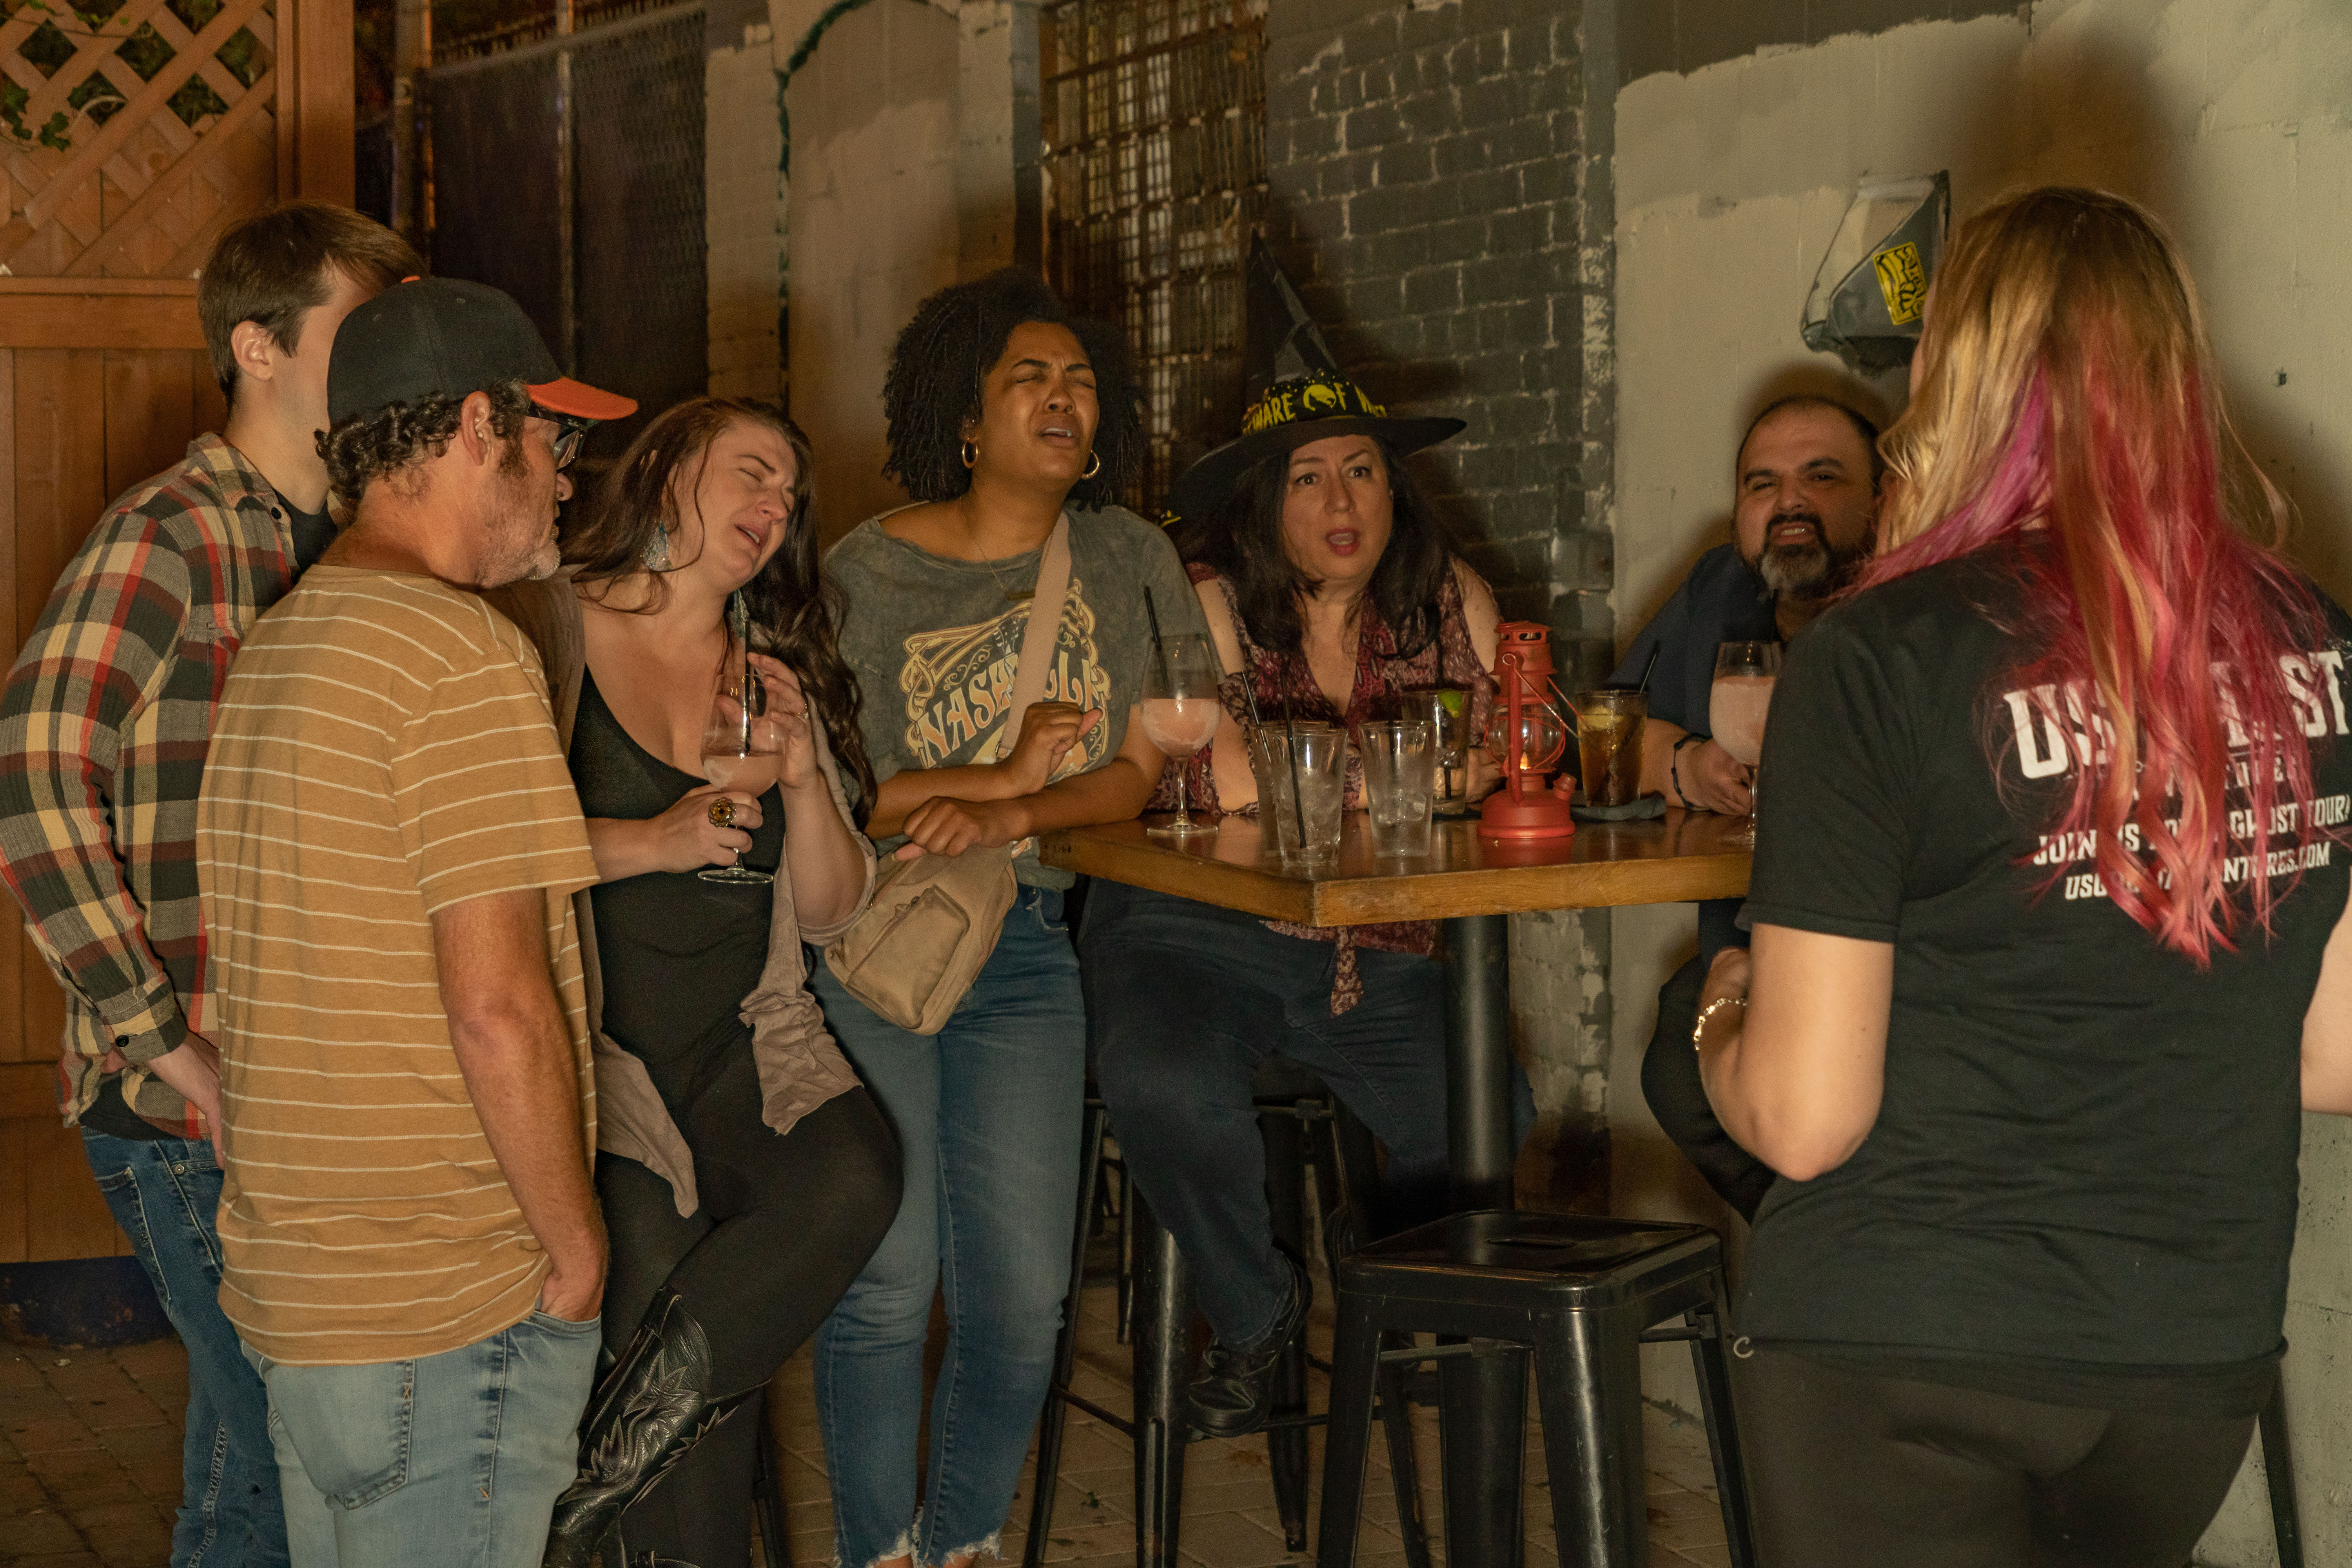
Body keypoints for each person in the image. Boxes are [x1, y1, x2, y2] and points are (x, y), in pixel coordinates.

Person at [1694, 187, 2352, 1566]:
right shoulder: (2320, 650)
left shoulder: (1882, 656)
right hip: (2184, 1358)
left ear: (1955, 378)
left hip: (1905, 1348)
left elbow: (1803, 1121)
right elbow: (2337, 1055)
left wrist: (1717, 1012)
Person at [0, 202, 419, 1568]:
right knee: (300, 1466)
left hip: (307, 1086)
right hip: (193, 1108)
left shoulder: (352, 538)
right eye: (363, 326)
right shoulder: (172, 534)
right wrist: (171, 1046)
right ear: (257, 346)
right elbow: (29, 777)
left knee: (259, 1475)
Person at [195, 276, 635, 1568]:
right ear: (468, 430)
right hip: (443, 1305)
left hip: (310, 1302)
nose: (565, 480)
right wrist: (573, 1250)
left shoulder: (285, 645)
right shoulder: (457, 655)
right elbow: (495, 1006)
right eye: (553, 441)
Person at [813, 267, 1202, 1568]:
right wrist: (993, 787)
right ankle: (881, 1553)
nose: (1062, 399)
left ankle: (963, 1543)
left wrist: (1015, 820)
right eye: (1028, 377)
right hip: (879, 944)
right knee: (888, 1279)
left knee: (1026, 1302)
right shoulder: (865, 570)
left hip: (1030, 950)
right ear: (965, 418)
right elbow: (840, 792)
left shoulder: (1127, 554)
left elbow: (1142, 769)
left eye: (1081, 382)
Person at [498, 398, 901, 1568]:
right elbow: (477, 852)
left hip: (741, 1046)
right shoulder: (546, 626)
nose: (775, 508)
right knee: (669, 1277)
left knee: (856, 1172)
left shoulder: (772, 672)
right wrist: (651, 842)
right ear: (670, 465)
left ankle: (583, 1506)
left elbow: (832, 912)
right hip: (595, 1055)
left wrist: (808, 779)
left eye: (789, 496)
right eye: (754, 473)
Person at [1082, 312, 1500, 1435]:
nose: (1342, 502)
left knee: (1480, 1116)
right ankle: (1260, 1311)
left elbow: (1498, 755)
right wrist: (1409, 769)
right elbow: (1224, 775)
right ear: (1267, 503)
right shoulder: (1211, 596)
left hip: (1377, 947)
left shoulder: (1447, 597)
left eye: (1363, 471)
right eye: (1309, 478)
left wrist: (1330, 768)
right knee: (1162, 1078)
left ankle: (1422, 1332)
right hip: (1196, 931)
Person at [1616, 394, 1882, 1220]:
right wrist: (1685, 765)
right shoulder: (1719, 589)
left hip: (1886, 956)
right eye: (1760, 483)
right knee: (1676, 1053)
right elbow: (1603, 735)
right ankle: (1827, 1249)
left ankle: (1831, 1254)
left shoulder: (1909, 616)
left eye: (1823, 476)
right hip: (1753, 948)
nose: (1788, 501)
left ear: (1884, 502)